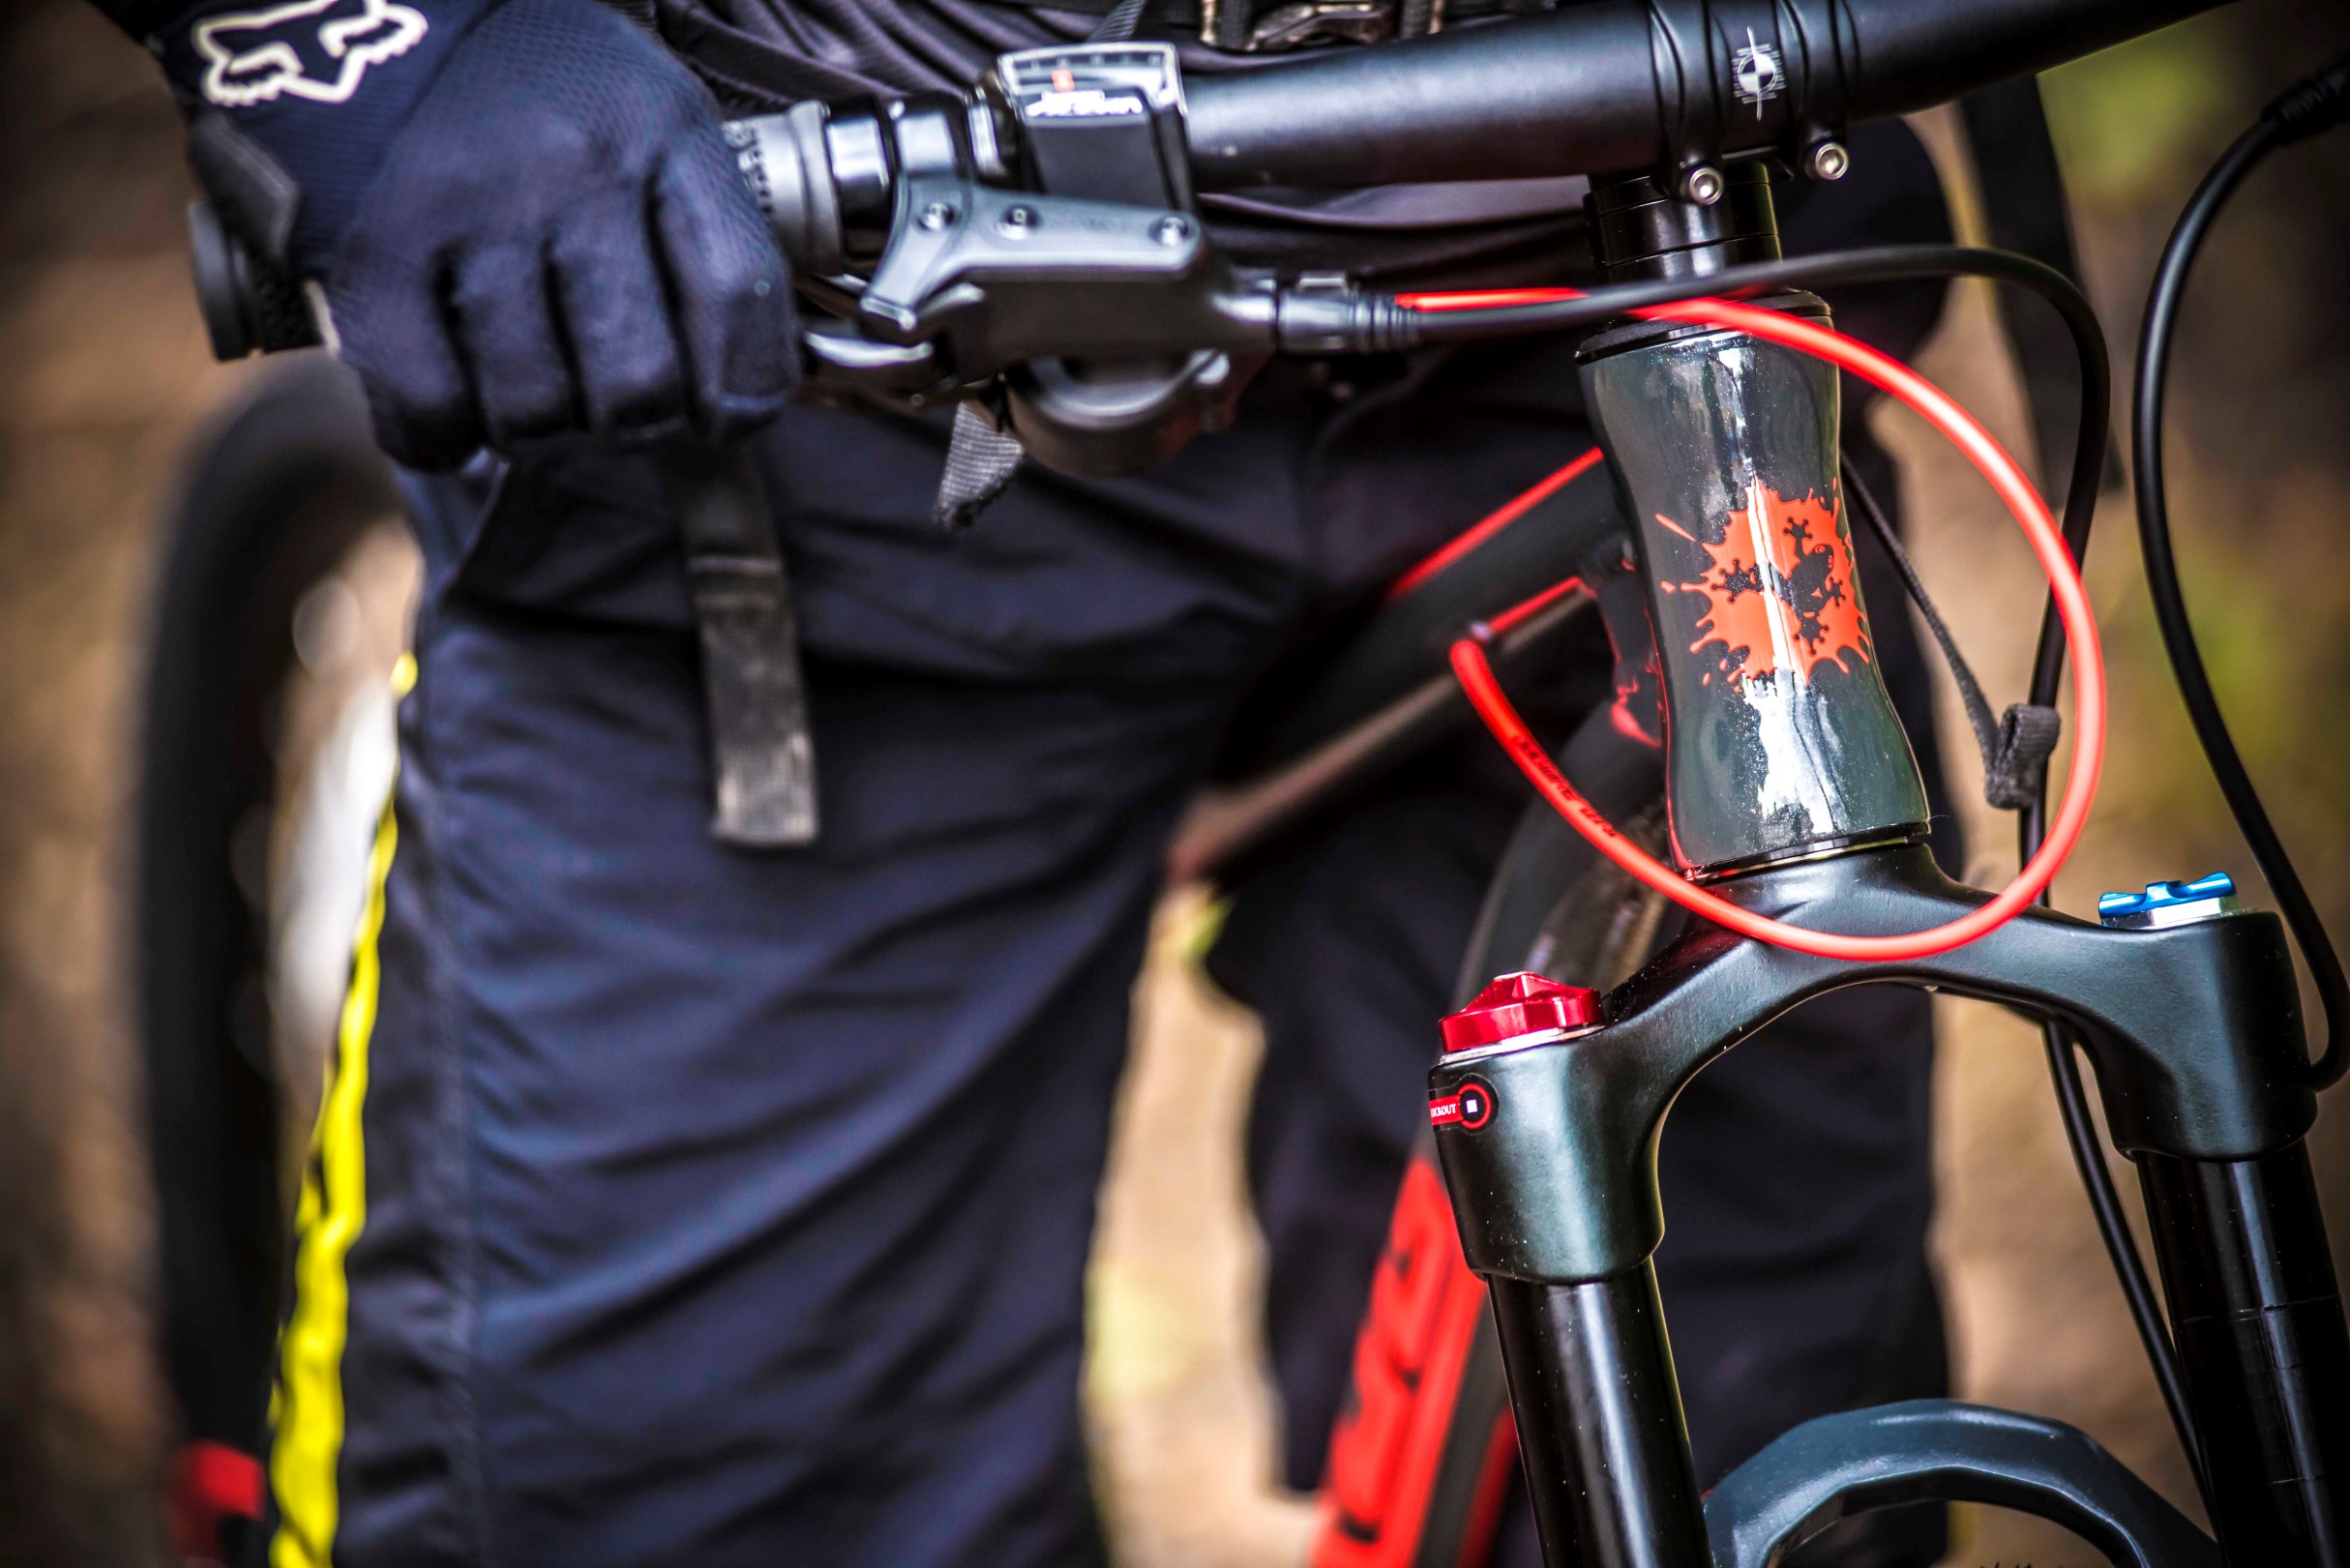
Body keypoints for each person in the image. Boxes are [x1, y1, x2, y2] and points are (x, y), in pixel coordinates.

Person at [101, 0, 1965, 1560]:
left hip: (1656, 308)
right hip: (807, 360)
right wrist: (373, 36)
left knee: (1770, 1466)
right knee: (690, 1490)